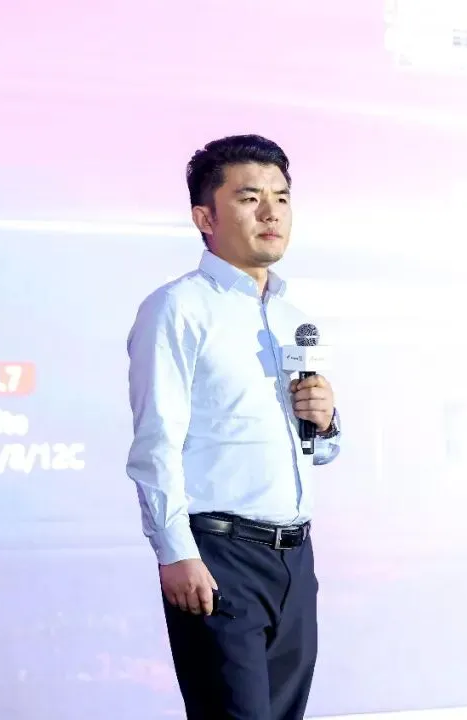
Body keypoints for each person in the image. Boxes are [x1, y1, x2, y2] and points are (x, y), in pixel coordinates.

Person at [126, 134, 342, 720]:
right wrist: (175, 552)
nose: (272, 213)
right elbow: (156, 442)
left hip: (294, 559)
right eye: (250, 198)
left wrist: (325, 422)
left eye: (282, 197)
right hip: (219, 556)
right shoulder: (178, 308)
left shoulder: (295, 318)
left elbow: (315, 449)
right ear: (205, 217)